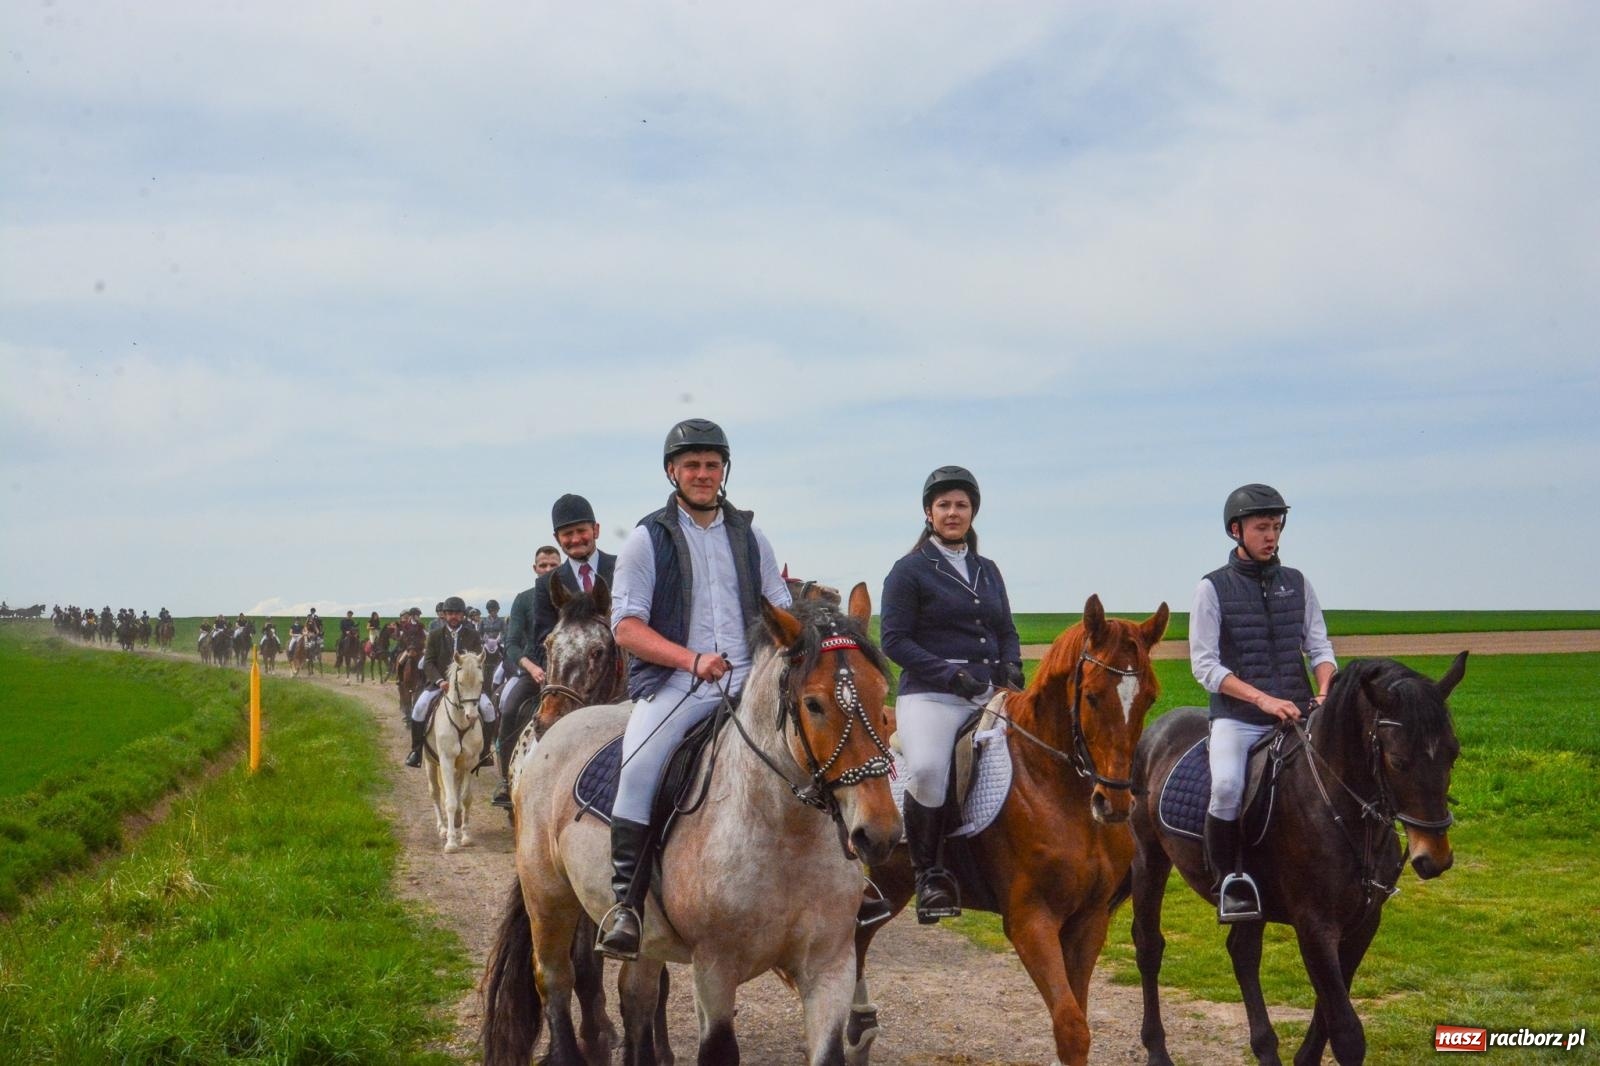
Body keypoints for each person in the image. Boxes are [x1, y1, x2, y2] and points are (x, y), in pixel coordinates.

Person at [594, 418, 792, 960]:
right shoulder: (646, 540)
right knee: (637, 769)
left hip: (754, 682)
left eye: (712, 465)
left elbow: (781, 608)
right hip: (678, 683)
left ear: (724, 470)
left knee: (823, 753)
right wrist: (691, 659)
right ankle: (626, 905)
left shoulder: (751, 536)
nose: (703, 474)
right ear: (672, 472)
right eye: (692, 466)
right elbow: (626, 628)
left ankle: (848, 882)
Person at [880, 465, 1023, 924]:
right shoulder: (909, 571)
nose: (952, 512)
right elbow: (895, 641)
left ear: (972, 512)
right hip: (930, 696)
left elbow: (1005, 629)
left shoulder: (988, 569)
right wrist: (948, 674)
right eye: (943, 504)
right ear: (929, 512)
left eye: (961, 505)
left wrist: (1012, 668)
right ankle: (929, 874)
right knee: (926, 770)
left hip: (988, 692)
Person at [1190, 483, 1336, 923]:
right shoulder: (1211, 589)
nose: (1271, 536)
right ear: (1237, 530)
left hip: (1299, 715)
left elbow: (1320, 648)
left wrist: (1325, 692)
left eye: (1276, 527)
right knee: (1228, 786)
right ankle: (1229, 881)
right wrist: (1264, 700)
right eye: (1261, 528)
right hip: (1240, 720)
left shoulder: (1298, 583)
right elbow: (1205, 667)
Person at [492, 495, 619, 808]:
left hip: (618, 673)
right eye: (567, 534)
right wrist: (556, 668)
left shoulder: (622, 567)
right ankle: (510, 780)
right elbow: (541, 637)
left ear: (596, 529)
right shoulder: (548, 583)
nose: (575, 539)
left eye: (581, 531)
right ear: (557, 539)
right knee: (511, 708)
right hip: (563, 675)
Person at [404, 596, 498, 768]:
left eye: (457, 613)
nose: (453, 616)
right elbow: (429, 662)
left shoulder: (473, 635)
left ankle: (484, 753)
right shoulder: (435, 635)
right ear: (444, 615)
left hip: (467, 687)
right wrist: (439, 681)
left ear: (462, 615)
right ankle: (416, 751)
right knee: (419, 708)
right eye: (449, 613)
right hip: (439, 683)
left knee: (488, 709)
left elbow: (478, 662)